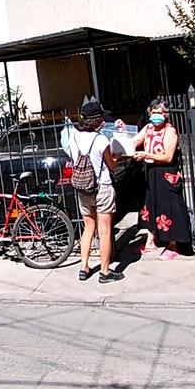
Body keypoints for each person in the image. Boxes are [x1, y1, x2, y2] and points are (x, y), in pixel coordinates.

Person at [118, 98, 191, 260]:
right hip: (150, 174)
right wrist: (123, 130)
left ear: (165, 115)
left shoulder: (170, 131)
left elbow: (168, 156)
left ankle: (173, 244)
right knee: (150, 205)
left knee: (169, 207)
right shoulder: (148, 128)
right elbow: (135, 140)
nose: (155, 116)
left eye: (158, 113)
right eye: (153, 113)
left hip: (165, 174)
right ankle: (151, 240)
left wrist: (146, 155)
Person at [70, 100, 124, 283]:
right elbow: (111, 165)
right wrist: (117, 156)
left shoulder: (73, 136)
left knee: (88, 228)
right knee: (105, 230)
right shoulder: (101, 140)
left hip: (83, 187)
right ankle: (105, 271)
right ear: (97, 120)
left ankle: (84, 267)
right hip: (101, 186)